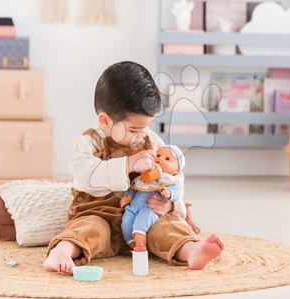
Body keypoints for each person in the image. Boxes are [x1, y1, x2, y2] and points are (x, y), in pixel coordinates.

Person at [43, 61, 224, 274]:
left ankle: (190, 250)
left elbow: (173, 175)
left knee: (165, 229)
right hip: (99, 212)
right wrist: (128, 164)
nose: (141, 136)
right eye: (134, 129)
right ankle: (62, 251)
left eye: (146, 127)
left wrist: (170, 205)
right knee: (90, 229)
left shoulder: (150, 140)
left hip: (143, 218)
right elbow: (84, 176)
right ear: (105, 120)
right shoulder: (90, 141)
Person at [120, 145, 185, 251]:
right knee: (126, 221)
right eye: (158, 155)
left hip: (149, 208)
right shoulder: (141, 177)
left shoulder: (168, 179)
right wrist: (128, 196)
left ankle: (141, 246)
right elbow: (134, 187)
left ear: (177, 170)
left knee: (141, 222)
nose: (159, 159)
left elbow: (177, 192)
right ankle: (131, 243)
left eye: (167, 159)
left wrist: (168, 193)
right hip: (133, 207)